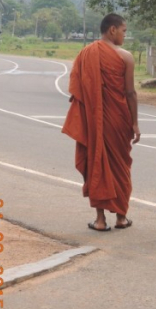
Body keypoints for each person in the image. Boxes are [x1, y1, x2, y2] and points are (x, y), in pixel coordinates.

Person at [62, 13, 140, 232]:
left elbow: (79, 91)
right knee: (120, 167)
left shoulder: (85, 54)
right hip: (119, 120)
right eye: (124, 30)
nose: (125, 35)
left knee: (97, 162)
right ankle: (122, 217)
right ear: (112, 30)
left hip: (95, 121)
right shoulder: (126, 57)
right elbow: (130, 93)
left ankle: (100, 220)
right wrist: (135, 123)